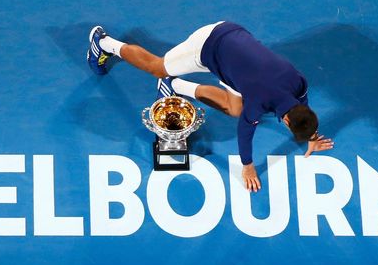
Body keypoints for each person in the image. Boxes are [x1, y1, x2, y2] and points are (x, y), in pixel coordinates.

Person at [86, 21, 334, 191]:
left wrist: (311, 136)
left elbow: (303, 106)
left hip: (239, 47)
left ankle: (176, 86)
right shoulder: (259, 101)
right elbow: (244, 133)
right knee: (156, 67)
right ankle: (103, 43)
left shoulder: (299, 83)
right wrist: (248, 168)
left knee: (235, 108)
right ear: (287, 121)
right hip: (207, 46)